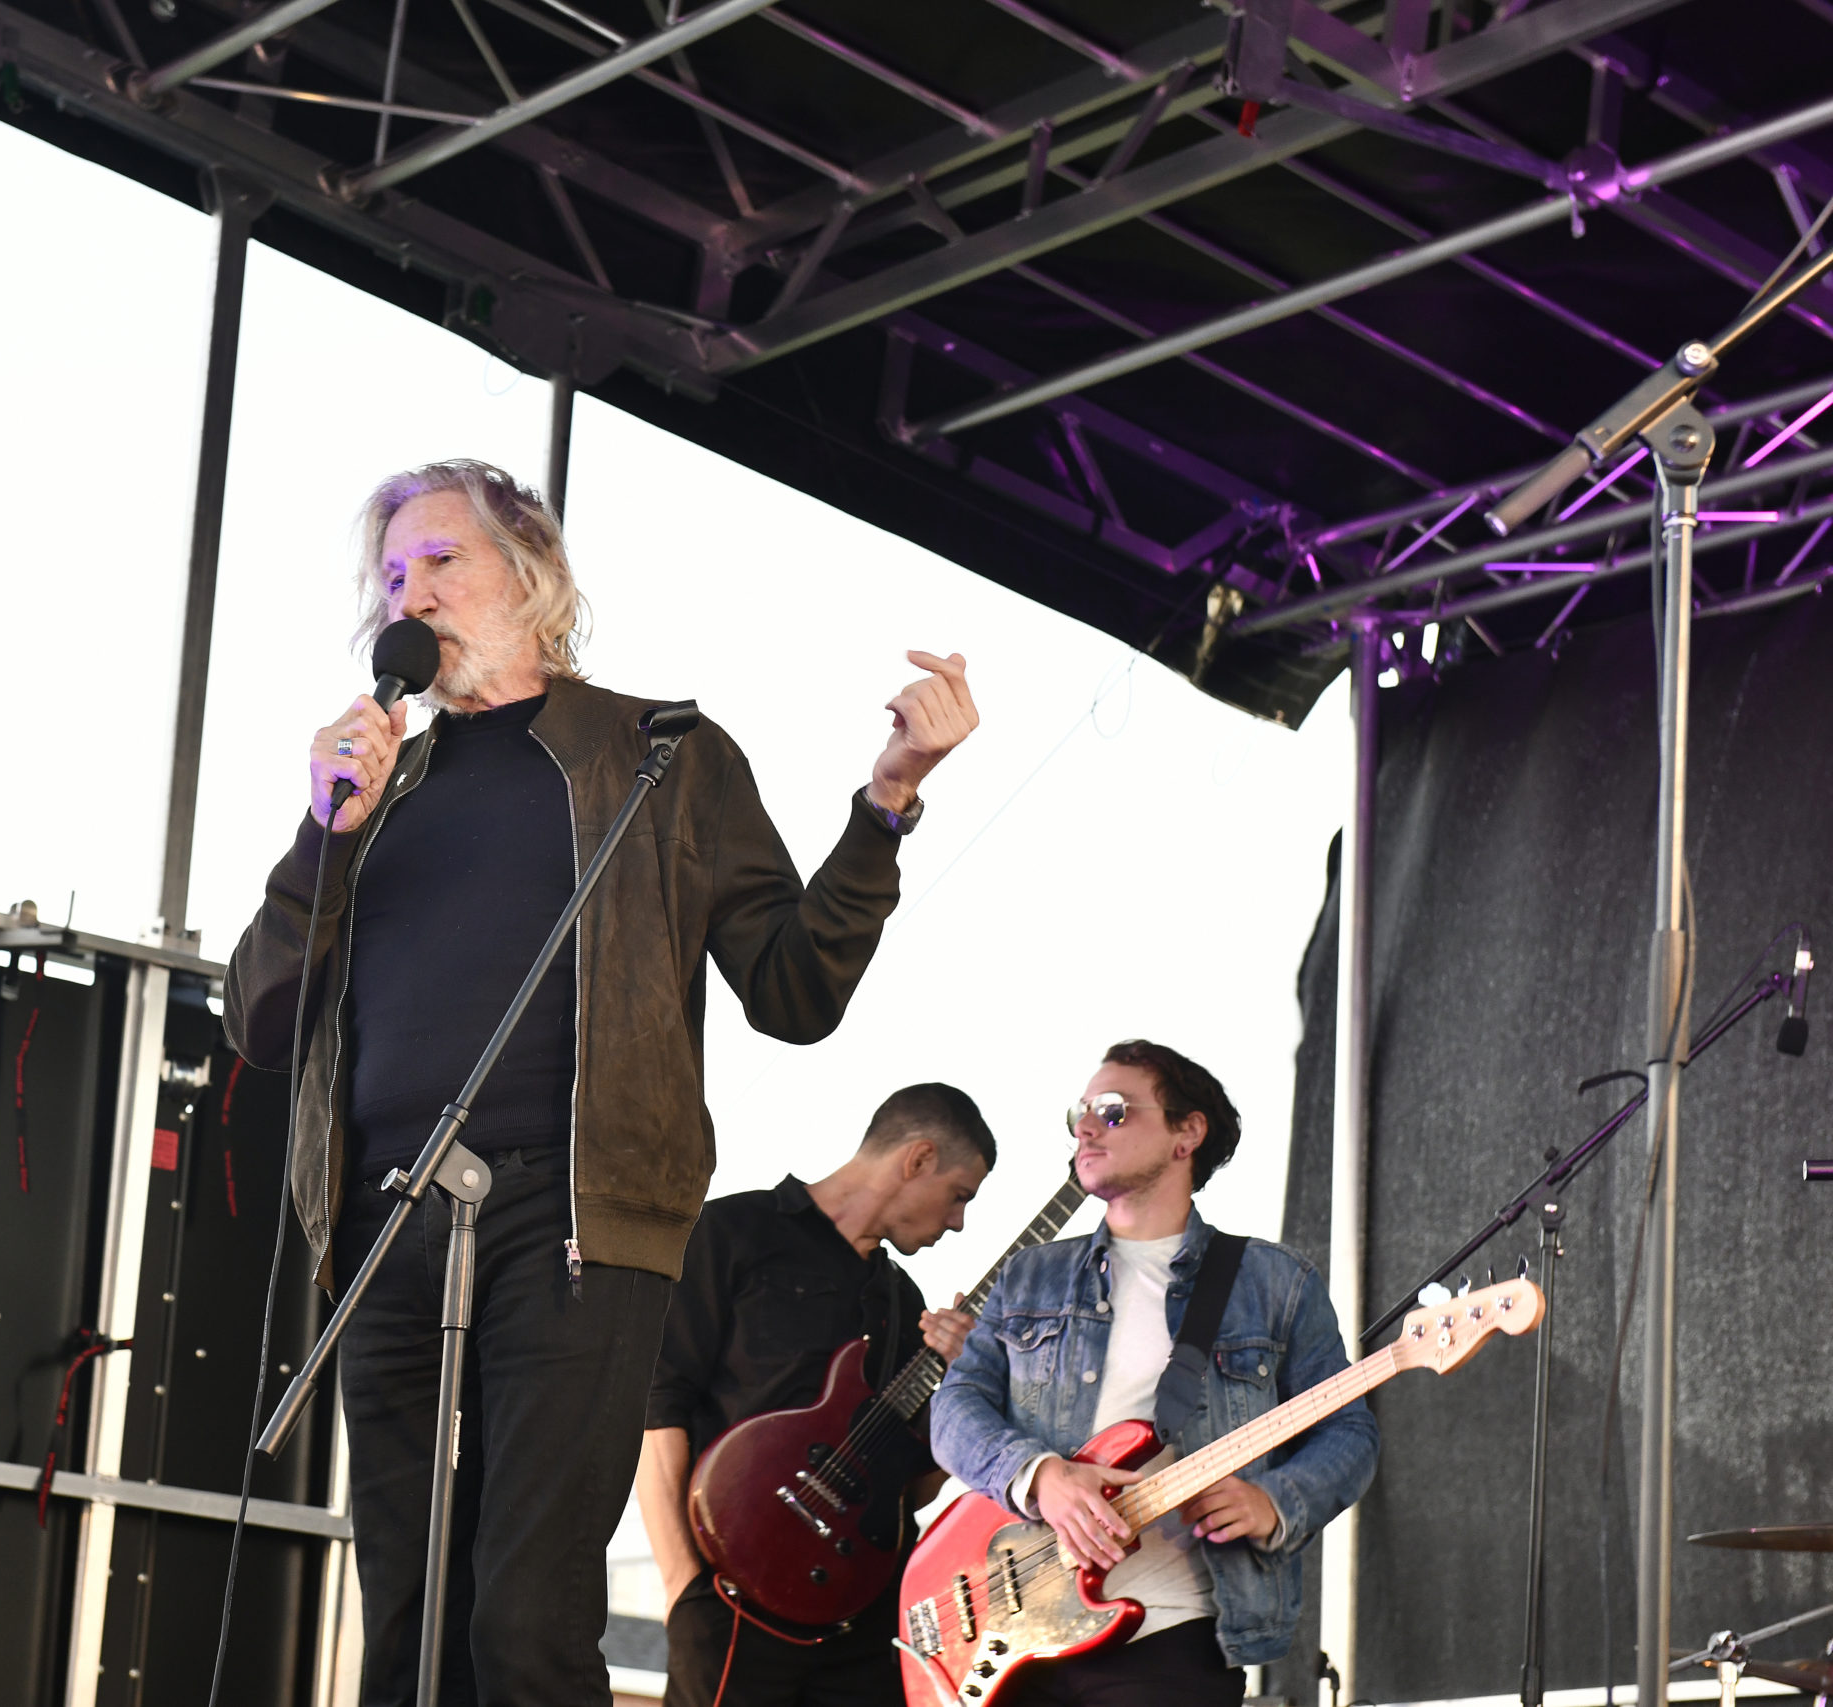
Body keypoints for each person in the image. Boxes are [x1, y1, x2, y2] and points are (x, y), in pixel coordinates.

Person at [224, 460, 979, 1707]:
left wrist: (887, 798)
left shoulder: (657, 756)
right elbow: (261, 1016)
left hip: (574, 1224)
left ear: (532, 573)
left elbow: (794, 990)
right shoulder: (377, 791)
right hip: (386, 1223)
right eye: (393, 574)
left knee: (524, 1623)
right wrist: (322, 831)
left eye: (441, 561)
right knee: (408, 1630)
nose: (410, 593)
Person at [930, 1041, 1378, 1706]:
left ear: (1186, 1132)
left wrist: (1272, 1501)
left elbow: (1350, 1432)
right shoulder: (1030, 1274)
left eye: (1112, 1111)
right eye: (1079, 1113)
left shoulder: (1276, 1282)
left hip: (1173, 1637)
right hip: (1011, 1630)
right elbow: (955, 1405)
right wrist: (1041, 1476)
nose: (1085, 1126)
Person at [638, 1083, 997, 1707]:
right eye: (958, 1195)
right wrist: (682, 1589)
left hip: (861, 1632)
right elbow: (656, 1409)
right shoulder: (735, 1232)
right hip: (731, 1609)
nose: (958, 1221)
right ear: (917, 1160)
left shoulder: (902, 1305)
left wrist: (965, 1384)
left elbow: (904, 1491)